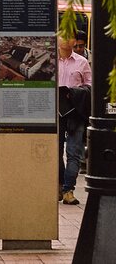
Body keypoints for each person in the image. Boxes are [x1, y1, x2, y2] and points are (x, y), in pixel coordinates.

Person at [58, 37, 93, 206]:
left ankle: (68, 190)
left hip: (75, 112)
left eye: (69, 36)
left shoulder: (82, 62)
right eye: (62, 35)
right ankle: (60, 185)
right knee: (54, 152)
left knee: (74, 152)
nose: (65, 40)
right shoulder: (50, 60)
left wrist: (75, 93)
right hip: (55, 112)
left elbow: (89, 86)